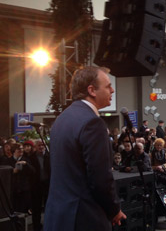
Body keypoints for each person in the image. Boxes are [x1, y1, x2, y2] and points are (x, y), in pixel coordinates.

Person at [44, 66, 125, 231]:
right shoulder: (92, 123)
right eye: (108, 86)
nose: (112, 90)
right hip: (84, 218)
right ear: (92, 90)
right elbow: (100, 178)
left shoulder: (61, 119)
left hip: (59, 217)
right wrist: (114, 210)